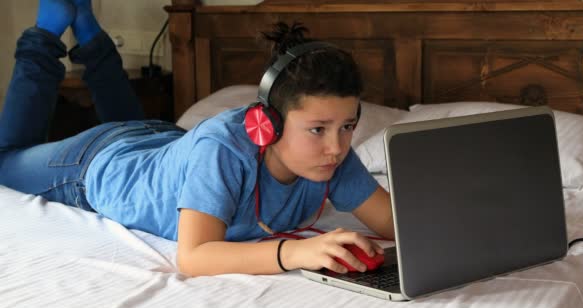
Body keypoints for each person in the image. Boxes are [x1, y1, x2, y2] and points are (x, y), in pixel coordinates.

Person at [0, 0, 394, 276]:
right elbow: (195, 256)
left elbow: (396, 224)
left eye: (347, 126)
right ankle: (46, 31)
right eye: (317, 129)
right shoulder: (224, 148)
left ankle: (89, 31)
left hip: (162, 142)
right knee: (4, 160)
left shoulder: (330, 158)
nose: (337, 146)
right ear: (266, 124)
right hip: (96, 164)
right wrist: (297, 251)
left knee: (132, 129)